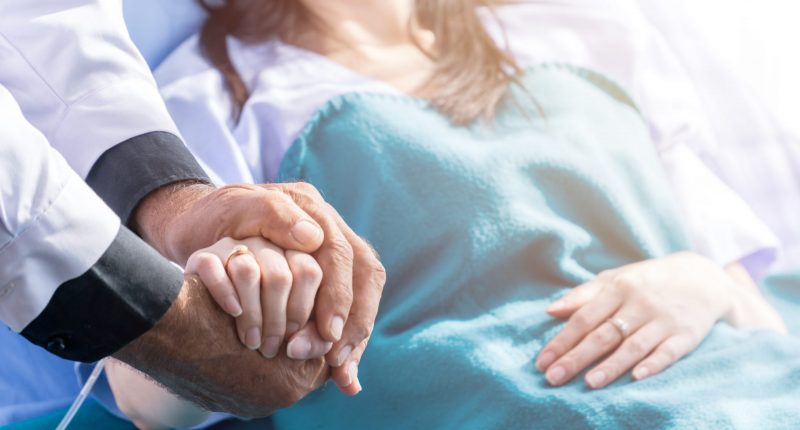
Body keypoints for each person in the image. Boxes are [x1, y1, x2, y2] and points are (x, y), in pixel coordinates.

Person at [97, 0, 800, 428]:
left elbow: (756, 305)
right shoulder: (217, 97)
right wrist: (223, 293)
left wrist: (699, 281)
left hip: (741, 385)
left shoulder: (590, 27)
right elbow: (148, 401)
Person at [0, 0, 385, 419]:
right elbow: (140, 390)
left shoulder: (467, 34)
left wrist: (176, 202)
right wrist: (185, 313)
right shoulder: (220, 87)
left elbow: (39, 26)